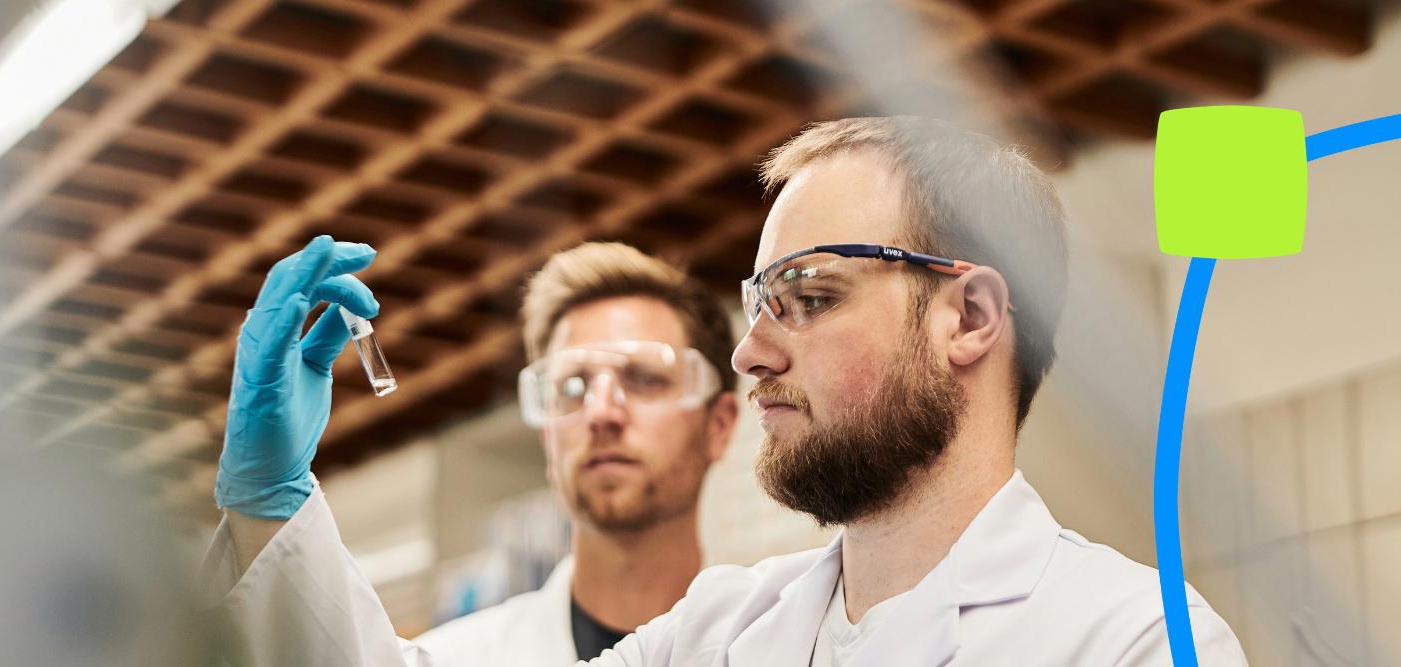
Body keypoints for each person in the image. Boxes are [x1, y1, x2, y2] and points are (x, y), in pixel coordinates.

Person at [203, 117, 1248, 666]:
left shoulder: (1132, 642)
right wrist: (271, 499)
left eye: (809, 297)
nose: (750, 354)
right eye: (758, 304)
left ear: (969, 317)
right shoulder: (721, 633)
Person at [204, 240, 739, 664]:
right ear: (546, 433)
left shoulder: (776, 645)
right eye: (571, 386)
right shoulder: (462, 657)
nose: (601, 412)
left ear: (719, 425)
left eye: (644, 378)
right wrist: (267, 503)